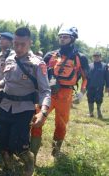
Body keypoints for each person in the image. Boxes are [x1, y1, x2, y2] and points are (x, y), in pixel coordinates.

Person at [0, 27, 51, 176]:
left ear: (30, 43)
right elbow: (6, 81)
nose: (19, 48)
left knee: (19, 145)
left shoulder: (37, 64)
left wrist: (43, 112)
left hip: (24, 109)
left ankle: (29, 161)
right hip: (5, 106)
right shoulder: (9, 58)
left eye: (23, 44)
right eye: (16, 44)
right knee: (1, 143)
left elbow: (45, 90)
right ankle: (8, 170)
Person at [31, 26, 89, 160]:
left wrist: (82, 93)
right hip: (47, 93)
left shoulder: (80, 57)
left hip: (66, 95)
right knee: (37, 119)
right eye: (60, 36)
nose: (62, 39)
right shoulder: (50, 55)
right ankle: (32, 154)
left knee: (61, 123)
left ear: (73, 38)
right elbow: (38, 74)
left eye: (65, 37)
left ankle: (55, 151)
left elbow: (86, 78)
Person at [86, 51, 109, 118]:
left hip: (99, 86)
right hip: (90, 86)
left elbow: (107, 77)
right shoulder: (90, 65)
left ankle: (99, 113)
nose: (96, 57)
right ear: (93, 57)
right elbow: (87, 77)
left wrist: (107, 86)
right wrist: (85, 86)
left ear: (100, 57)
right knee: (90, 99)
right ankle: (91, 113)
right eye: (95, 56)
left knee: (99, 99)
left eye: (98, 56)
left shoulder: (104, 66)